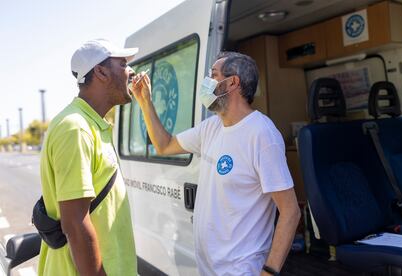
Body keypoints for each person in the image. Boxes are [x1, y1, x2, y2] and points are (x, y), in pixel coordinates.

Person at [131, 51, 301, 275]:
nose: (207, 84)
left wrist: (269, 271)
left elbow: (290, 212)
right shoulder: (211, 127)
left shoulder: (261, 134)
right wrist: (145, 102)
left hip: (241, 269)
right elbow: (164, 145)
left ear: (232, 83)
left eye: (213, 75)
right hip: (209, 268)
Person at [38, 39, 138, 276]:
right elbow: (75, 223)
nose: (131, 71)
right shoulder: (76, 128)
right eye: (123, 64)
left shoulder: (93, 124)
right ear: (101, 72)